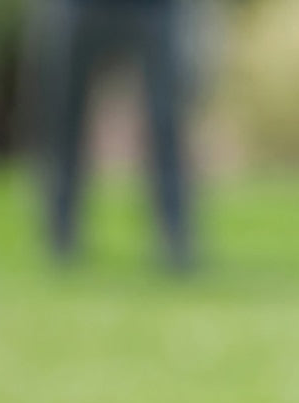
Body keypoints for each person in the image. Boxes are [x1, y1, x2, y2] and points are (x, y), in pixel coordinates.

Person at [28, 0, 193, 269]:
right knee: (63, 114)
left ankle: (176, 240)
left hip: (153, 8)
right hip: (80, 7)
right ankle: (60, 237)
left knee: (165, 120)